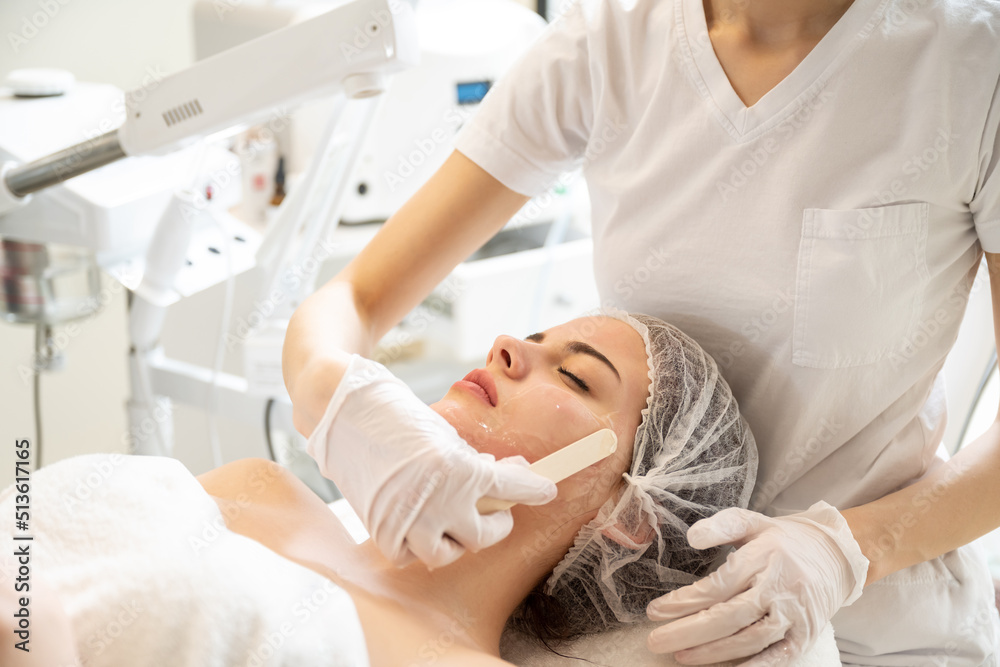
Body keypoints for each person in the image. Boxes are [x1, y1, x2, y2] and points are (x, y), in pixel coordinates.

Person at [283, 0, 1000, 663]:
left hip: (872, 616)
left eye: (575, 372)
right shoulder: (611, 40)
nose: (508, 347)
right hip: (620, 609)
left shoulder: (969, 64)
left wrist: (849, 549)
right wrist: (335, 391)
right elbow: (359, 295)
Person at [0, 312, 756, 666]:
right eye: (534, 336)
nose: (507, 345)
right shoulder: (261, 487)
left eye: (574, 373)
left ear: (630, 512)